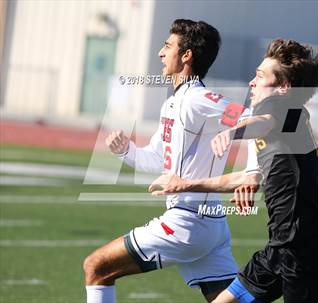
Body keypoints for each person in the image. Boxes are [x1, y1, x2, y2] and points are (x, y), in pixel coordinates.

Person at [149, 39, 318, 303]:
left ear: (283, 87)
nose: (252, 82)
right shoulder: (295, 115)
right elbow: (241, 178)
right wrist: (184, 184)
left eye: (260, 76)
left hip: (302, 251)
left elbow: (262, 122)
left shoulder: (282, 108)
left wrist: (233, 131)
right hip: (280, 248)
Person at [83, 19, 251, 303]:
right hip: (208, 224)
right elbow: (158, 160)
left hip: (189, 223)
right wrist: (126, 150)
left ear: (186, 56)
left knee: (96, 267)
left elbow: (253, 121)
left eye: (167, 46)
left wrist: (252, 172)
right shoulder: (174, 102)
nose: (161, 53)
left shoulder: (198, 98)